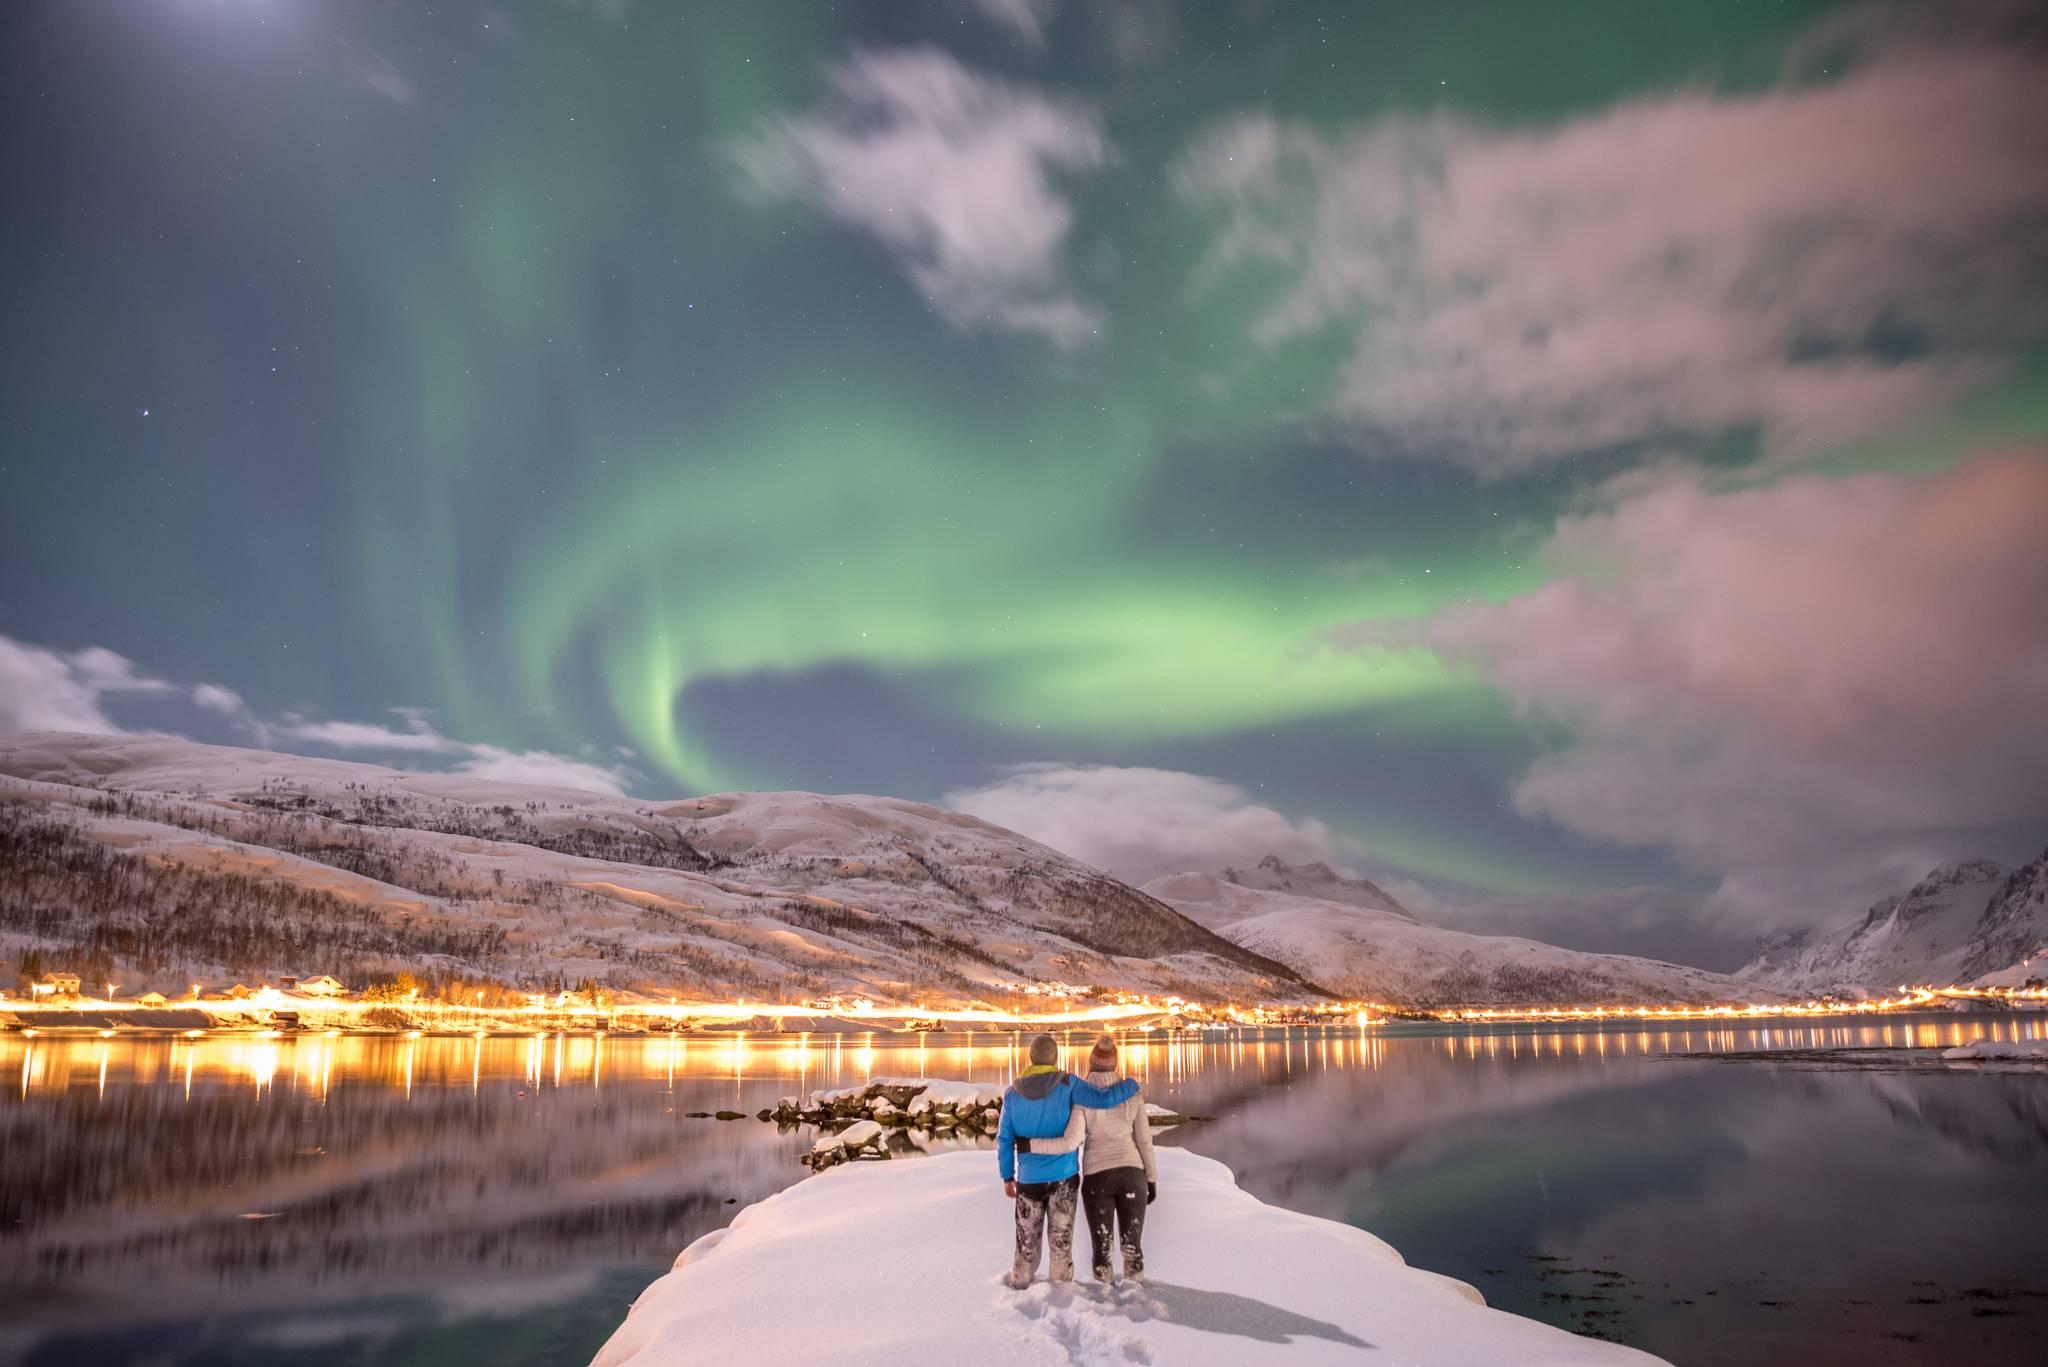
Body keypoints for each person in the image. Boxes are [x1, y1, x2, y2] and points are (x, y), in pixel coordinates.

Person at [996, 1033, 1139, 1289]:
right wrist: (1130, 1086)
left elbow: (1004, 1140)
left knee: (1026, 1243)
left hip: (1028, 1180)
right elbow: (1104, 1099)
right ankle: (1060, 1293)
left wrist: (1008, 1176)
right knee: (1060, 1242)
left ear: (1031, 1058)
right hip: (1064, 1177)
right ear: (1055, 1058)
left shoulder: (1012, 1094)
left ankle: (1019, 1288)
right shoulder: (1068, 1084)